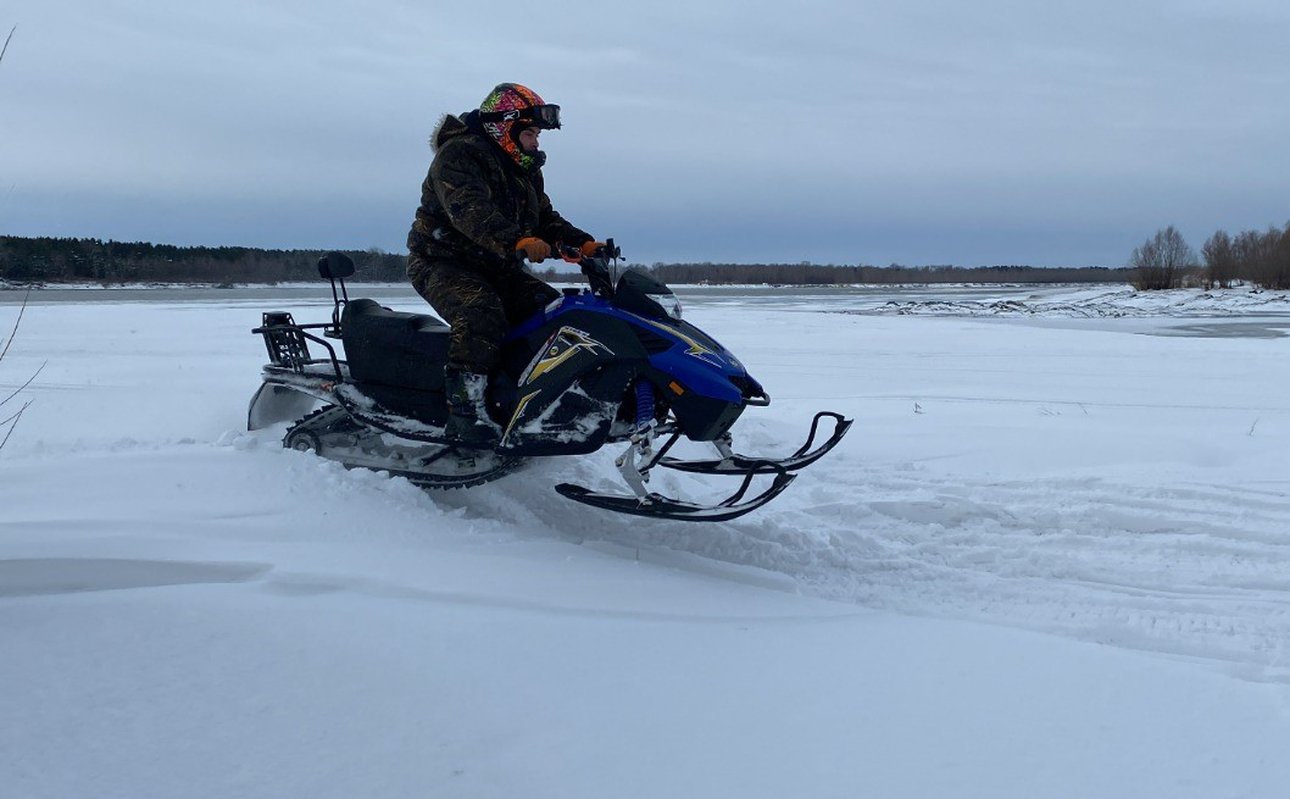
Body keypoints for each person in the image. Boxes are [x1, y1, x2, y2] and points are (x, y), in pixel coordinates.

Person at [406, 83, 604, 446]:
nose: (536, 142)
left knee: (555, 313)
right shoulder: (459, 156)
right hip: (442, 262)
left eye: (537, 134)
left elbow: (544, 218)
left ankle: (528, 398)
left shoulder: (523, 169)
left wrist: (583, 243)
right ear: (505, 127)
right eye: (529, 132)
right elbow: (470, 211)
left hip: (495, 265)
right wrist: (516, 241)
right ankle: (466, 413)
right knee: (481, 312)